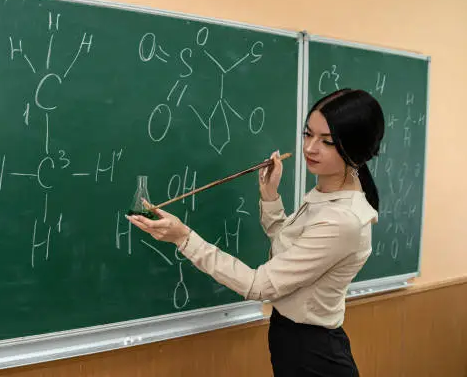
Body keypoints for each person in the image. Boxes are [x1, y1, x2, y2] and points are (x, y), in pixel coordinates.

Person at [126, 88, 385, 376]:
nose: (310, 148)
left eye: (327, 141)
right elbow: (287, 250)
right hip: (292, 338)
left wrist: (183, 238)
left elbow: (258, 285)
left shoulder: (343, 219)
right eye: (308, 133)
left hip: (314, 353)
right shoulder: (327, 192)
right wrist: (270, 196)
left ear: (355, 148)